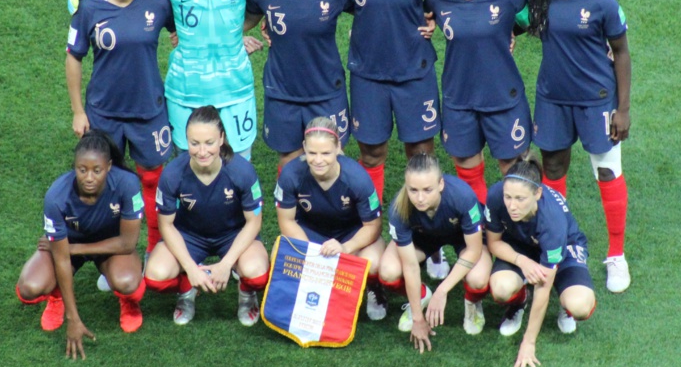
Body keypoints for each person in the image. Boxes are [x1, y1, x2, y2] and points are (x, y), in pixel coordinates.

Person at [335, 0, 449, 279]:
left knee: (420, 153)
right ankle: (372, 236)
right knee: (372, 154)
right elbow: (344, 1)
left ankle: (428, 240)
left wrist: (433, 21)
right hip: (367, 75)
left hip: (414, 74)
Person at [526, 0, 632, 293]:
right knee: (553, 168)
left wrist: (623, 109)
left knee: (606, 170)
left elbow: (620, 52)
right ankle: (562, 244)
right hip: (552, 99)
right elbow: (518, 18)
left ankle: (616, 255)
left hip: (596, 102)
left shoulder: (601, 0)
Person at [65, 0, 175, 260]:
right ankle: (111, 259)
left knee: (153, 181)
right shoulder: (88, 6)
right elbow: (73, 57)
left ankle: (156, 248)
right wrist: (77, 111)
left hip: (148, 111)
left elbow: (179, 31)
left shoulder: (157, 3)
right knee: (105, 185)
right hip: (104, 114)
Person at [15, 130, 145, 360]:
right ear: (74, 167)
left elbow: (127, 243)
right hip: (69, 245)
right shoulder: (56, 196)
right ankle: (57, 297)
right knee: (29, 287)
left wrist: (75, 249)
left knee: (128, 283)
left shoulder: (128, 184)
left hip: (110, 247)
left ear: (109, 167)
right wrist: (73, 319)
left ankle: (126, 301)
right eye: (82, 170)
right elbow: (62, 258)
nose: (89, 177)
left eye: (97, 170)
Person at [426, 0, 531, 204]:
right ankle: (482, 231)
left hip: (502, 97)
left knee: (513, 168)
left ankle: (515, 231)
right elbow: (420, 17)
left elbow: (534, 23)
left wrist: (507, 34)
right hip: (459, 98)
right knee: (466, 165)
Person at [143, 106, 269, 326]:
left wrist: (226, 264)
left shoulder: (242, 172)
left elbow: (253, 222)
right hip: (189, 237)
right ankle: (186, 289)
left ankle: (247, 294)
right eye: (195, 143)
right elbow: (166, 225)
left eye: (209, 143)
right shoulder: (172, 174)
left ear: (221, 138)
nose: (202, 151)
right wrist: (191, 268)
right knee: (155, 276)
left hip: (232, 235)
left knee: (257, 274)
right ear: (186, 140)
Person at [150, 0, 264, 159]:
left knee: (239, 164)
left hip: (234, 90)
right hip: (185, 91)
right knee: (188, 164)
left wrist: (233, 34)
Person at [246, 0, 352, 172]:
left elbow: (370, 11)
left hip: (326, 90)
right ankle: (291, 211)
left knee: (332, 157)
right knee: (289, 160)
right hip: (282, 91)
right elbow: (244, 20)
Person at [485, 157, 596, 367]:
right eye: (508, 197)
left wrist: (529, 342)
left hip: (564, 247)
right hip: (522, 246)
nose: (512, 205)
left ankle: (565, 304)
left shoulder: (552, 222)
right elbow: (494, 242)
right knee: (500, 289)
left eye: (520, 198)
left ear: (538, 193)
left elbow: (543, 286)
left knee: (579, 305)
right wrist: (522, 261)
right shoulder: (496, 196)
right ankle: (519, 301)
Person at [275, 117, 387, 320]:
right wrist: (310, 253)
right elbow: (286, 221)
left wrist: (345, 248)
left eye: (326, 153)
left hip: (350, 234)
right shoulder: (291, 174)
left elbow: (373, 225)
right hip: (310, 233)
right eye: (312, 153)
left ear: (338, 148)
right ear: (304, 148)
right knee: (278, 254)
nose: (318, 160)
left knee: (374, 263)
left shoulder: (358, 178)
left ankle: (374, 288)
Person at [378, 153, 491, 353]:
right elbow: (410, 266)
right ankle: (421, 296)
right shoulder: (399, 208)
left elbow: (473, 250)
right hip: (423, 238)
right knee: (388, 270)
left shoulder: (463, 197)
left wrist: (442, 290)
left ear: (440, 184)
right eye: (413, 190)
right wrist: (417, 318)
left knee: (478, 278)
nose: (420, 198)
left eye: (427, 190)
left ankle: (472, 302)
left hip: (461, 237)